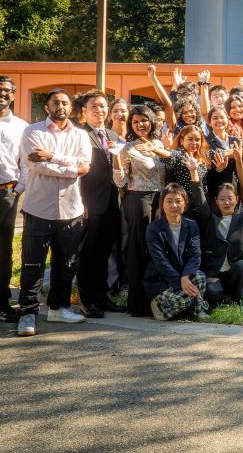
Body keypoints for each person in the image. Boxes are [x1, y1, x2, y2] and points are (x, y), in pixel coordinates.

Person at [16, 89, 92, 337]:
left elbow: (85, 168)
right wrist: (68, 164)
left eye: (65, 103)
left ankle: (58, 308)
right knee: (32, 263)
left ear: (71, 107)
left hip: (71, 209)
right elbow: (38, 165)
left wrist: (53, 157)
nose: (61, 106)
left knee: (66, 263)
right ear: (47, 107)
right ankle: (28, 312)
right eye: (55, 102)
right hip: (39, 208)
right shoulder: (33, 131)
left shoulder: (80, 135)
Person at [113, 104, 165, 317]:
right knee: (139, 249)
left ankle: (157, 300)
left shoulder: (159, 143)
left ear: (151, 121)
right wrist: (117, 158)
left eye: (143, 120)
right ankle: (137, 303)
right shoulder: (128, 147)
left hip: (161, 199)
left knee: (157, 249)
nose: (140, 125)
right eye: (135, 122)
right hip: (138, 200)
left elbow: (164, 173)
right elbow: (120, 181)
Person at [76, 90, 125, 318]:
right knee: (88, 254)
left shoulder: (113, 135)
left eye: (103, 106)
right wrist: (80, 202)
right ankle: (87, 300)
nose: (99, 110)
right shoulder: (79, 135)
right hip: (89, 203)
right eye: (94, 106)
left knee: (105, 252)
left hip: (112, 203)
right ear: (84, 111)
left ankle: (101, 296)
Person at [188, 151, 243, 308]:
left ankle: (239, 299)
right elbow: (199, 198)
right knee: (214, 295)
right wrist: (193, 171)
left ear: (236, 199)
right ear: (216, 201)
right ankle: (221, 297)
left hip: (234, 273)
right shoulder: (210, 220)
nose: (227, 202)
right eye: (222, 199)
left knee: (242, 265)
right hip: (214, 274)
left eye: (230, 198)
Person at [144, 182, 208, 320]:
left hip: (183, 275)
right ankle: (192, 307)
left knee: (200, 276)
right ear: (162, 204)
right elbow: (160, 261)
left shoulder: (192, 225)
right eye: (169, 201)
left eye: (178, 201)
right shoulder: (153, 229)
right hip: (161, 281)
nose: (174, 206)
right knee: (186, 294)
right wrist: (180, 281)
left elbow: (195, 255)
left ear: (185, 203)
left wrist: (185, 277)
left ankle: (181, 310)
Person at [0, 76, 27, 323]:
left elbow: (26, 161)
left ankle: (2, 301)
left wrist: (19, 188)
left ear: (13, 95)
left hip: (6, 193)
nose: (2, 94)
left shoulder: (20, 126)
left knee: (3, 249)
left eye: (7, 91)